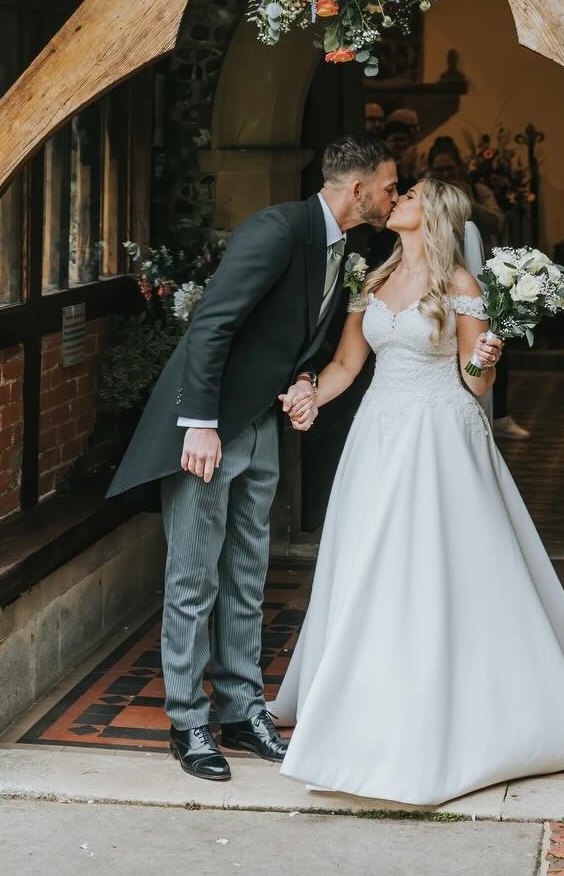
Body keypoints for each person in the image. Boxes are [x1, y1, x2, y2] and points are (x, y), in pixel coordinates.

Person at [269, 175, 564, 808]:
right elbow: (347, 365)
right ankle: (362, 697)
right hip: (378, 435)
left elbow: (474, 381)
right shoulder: (369, 281)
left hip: (438, 438)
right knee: (368, 564)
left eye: (408, 194)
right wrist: (308, 396)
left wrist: (487, 356)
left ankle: (451, 704)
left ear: (432, 212)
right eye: (397, 191)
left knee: (436, 569)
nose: (396, 197)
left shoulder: (460, 285)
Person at [107, 135, 398, 783]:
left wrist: (301, 383)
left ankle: (242, 709)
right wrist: (201, 425)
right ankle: (188, 721)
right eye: (389, 184)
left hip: (261, 423)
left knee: (246, 575)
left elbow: (285, 336)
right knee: (193, 578)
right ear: (358, 190)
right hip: (208, 431)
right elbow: (212, 324)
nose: (393, 195)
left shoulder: (342, 247)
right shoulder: (275, 230)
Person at [426, 136, 530, 441]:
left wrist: (462, 199)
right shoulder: (426, 198)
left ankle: (499, 414)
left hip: (481, 273)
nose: (444, 173)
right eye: (438, 168)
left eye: (449, 167)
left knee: (489, 343)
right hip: (439, 277)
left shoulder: (479, 190)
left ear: (458, 165)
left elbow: (497, 220)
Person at [381, 105, 421, 192]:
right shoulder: (381, 162)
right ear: (385, 142)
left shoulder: (415, 157)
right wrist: (405, 171)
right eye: (396, 140)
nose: (401, 144)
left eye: (404, 139)